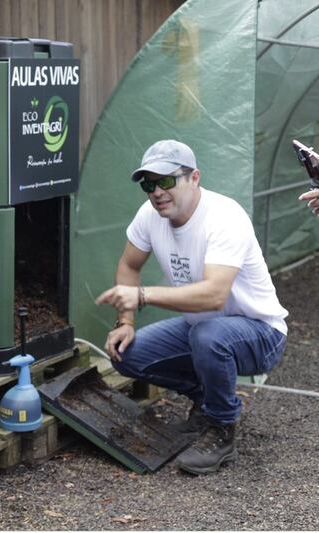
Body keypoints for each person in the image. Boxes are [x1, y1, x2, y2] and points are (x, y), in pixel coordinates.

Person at [95, 139, 288, 475]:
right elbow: (129, 265)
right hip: (202, 328)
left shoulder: (225, 217)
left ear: (194, 177)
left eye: (167, 180)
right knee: (127, 352)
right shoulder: (149, 215)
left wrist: (141, 297)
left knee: (210, 337)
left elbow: (214, 294)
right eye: (149, 184)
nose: (157, 192)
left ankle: (222, 427)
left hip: (260, 331)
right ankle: (206, 399)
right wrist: (124, 321)